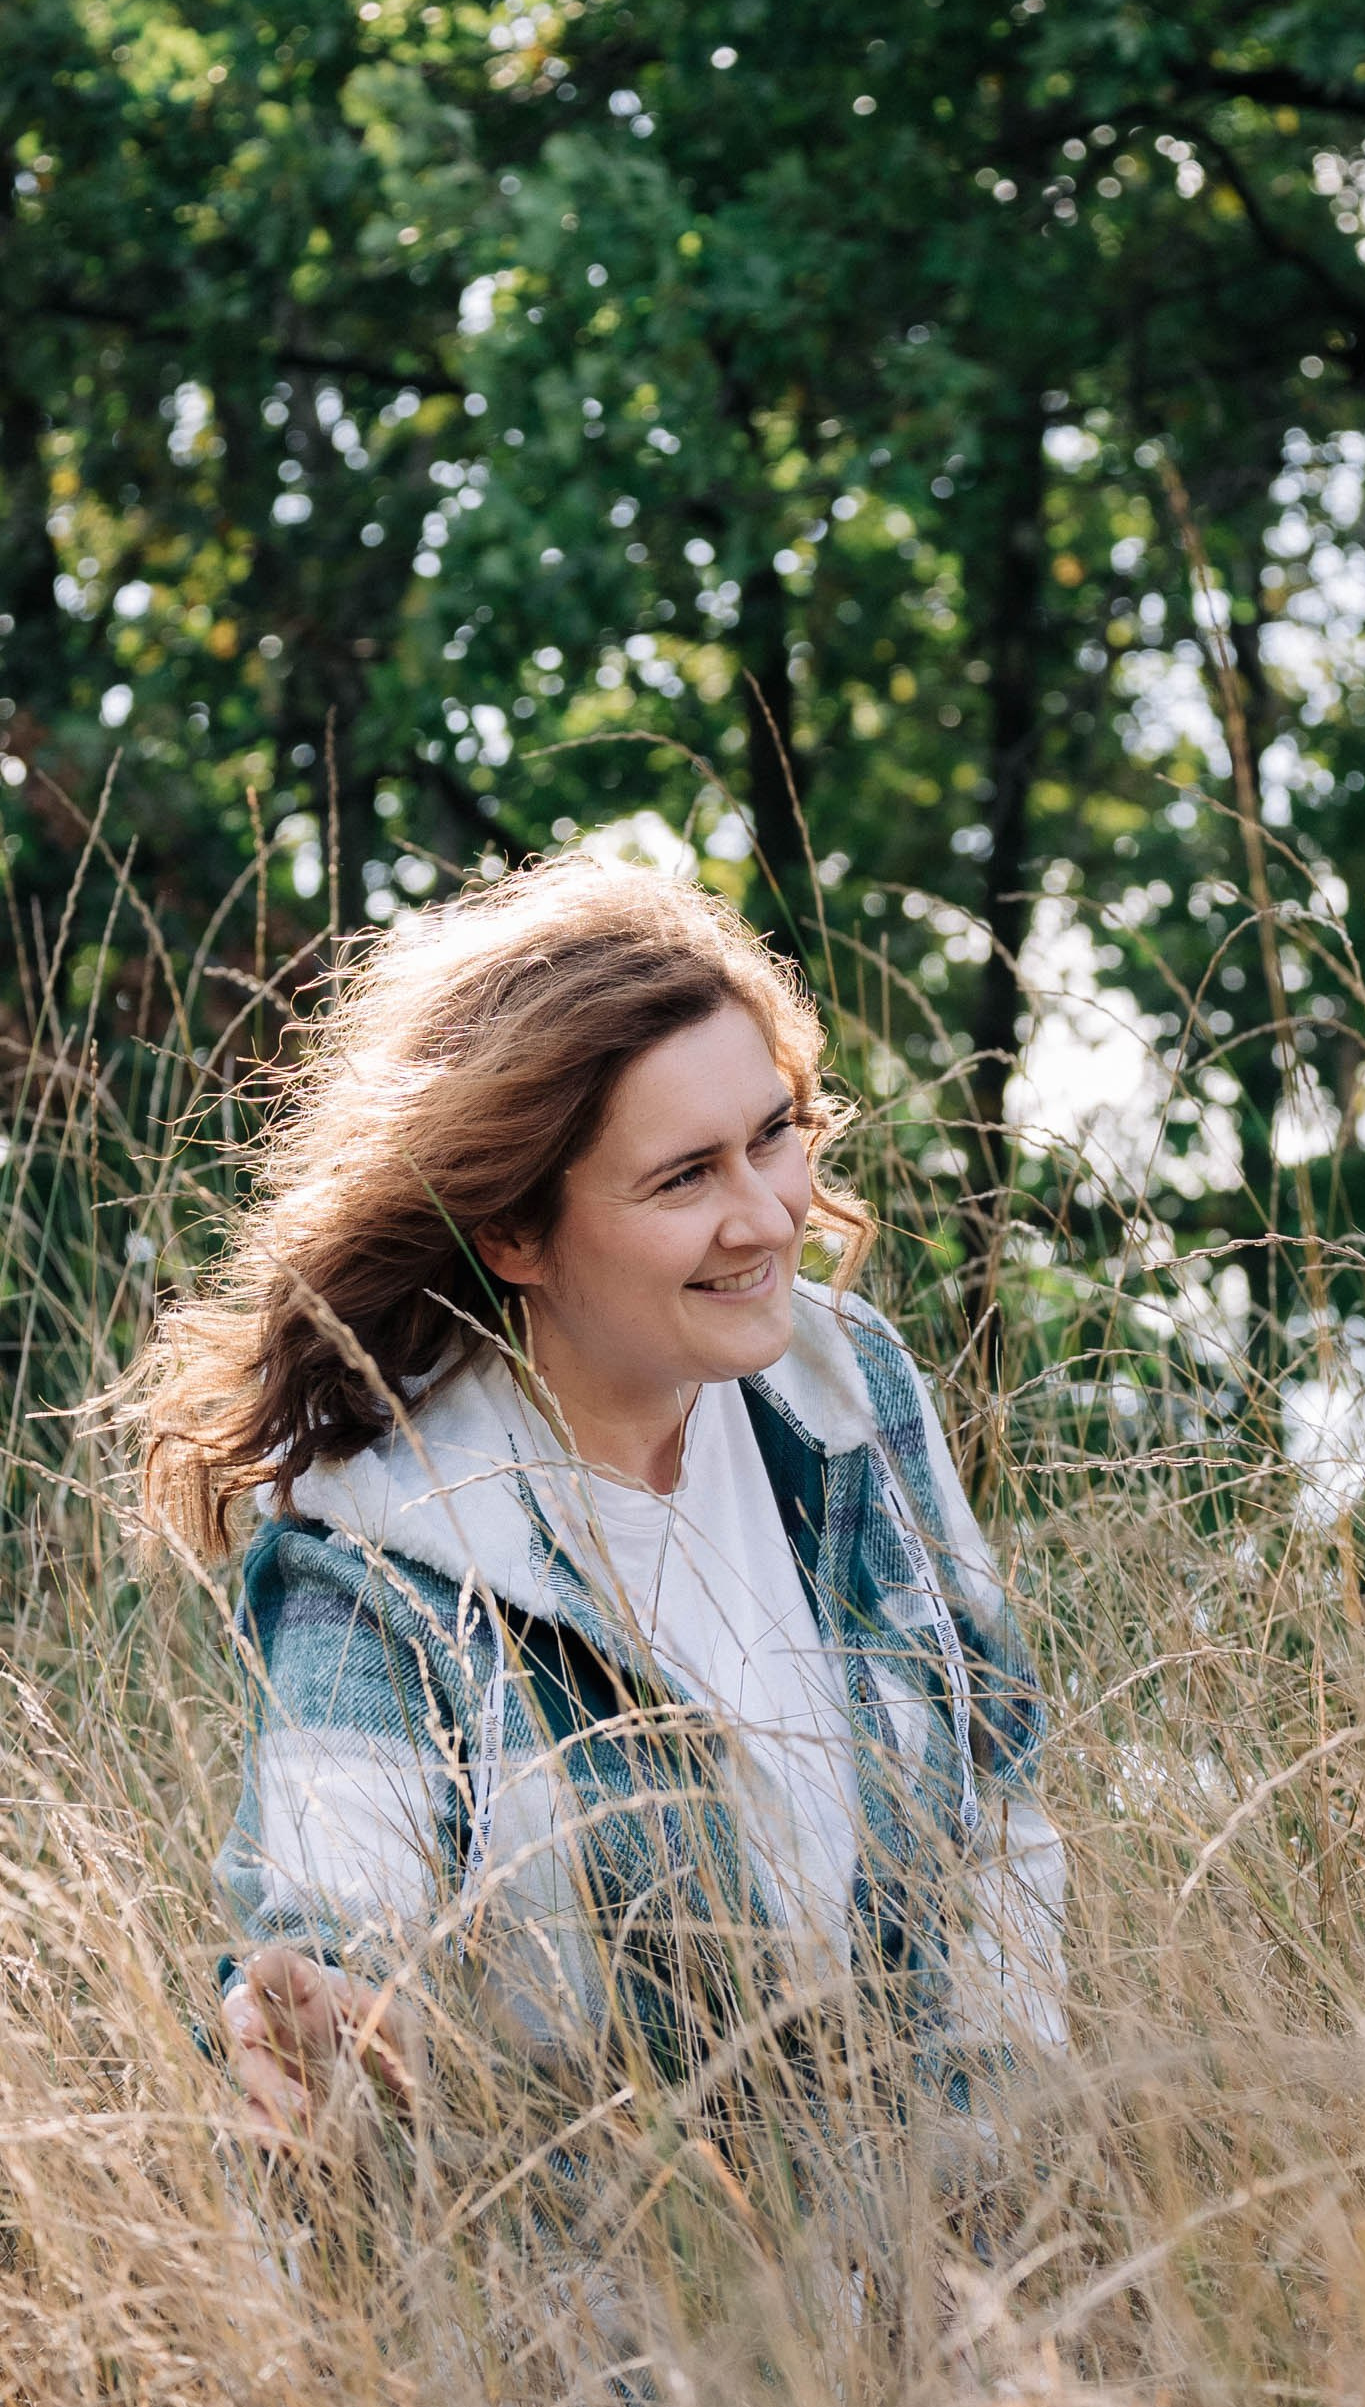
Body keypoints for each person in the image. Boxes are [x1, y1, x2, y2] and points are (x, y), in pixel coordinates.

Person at [137, 854, 1065, 2151]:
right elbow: (330, 1894)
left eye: (772, 1136)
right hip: (615, 2275)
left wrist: (1007, 2147)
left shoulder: (851, 1390)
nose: (767, 1219)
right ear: (515, 1234)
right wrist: (316, 2014)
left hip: (952, 2240)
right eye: (685, 1177)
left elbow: (996, 1777)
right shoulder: (383, 1549)